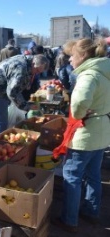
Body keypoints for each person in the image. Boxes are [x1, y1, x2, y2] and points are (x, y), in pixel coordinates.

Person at [51, 37, 110, 234]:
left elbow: (78, 104)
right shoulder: (104, 72)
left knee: (72, 176)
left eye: (72, 56)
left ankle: (69, 220)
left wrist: (78, 113)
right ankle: (91, 212)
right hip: (101, 132)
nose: (69, 60)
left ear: (83, 56)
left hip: (87, 133)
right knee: (93, 175)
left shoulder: (89, 75)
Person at [0, 54, 49, 137]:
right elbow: (12, 92)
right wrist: (26, 106)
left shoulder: (29, 61)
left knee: (6, 117)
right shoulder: (21, 69)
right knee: (1, 121)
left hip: (2, 89)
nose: (37, 73)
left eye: (40, 72)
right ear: (33, 64)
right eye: (37, 70)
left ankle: (4, 139)